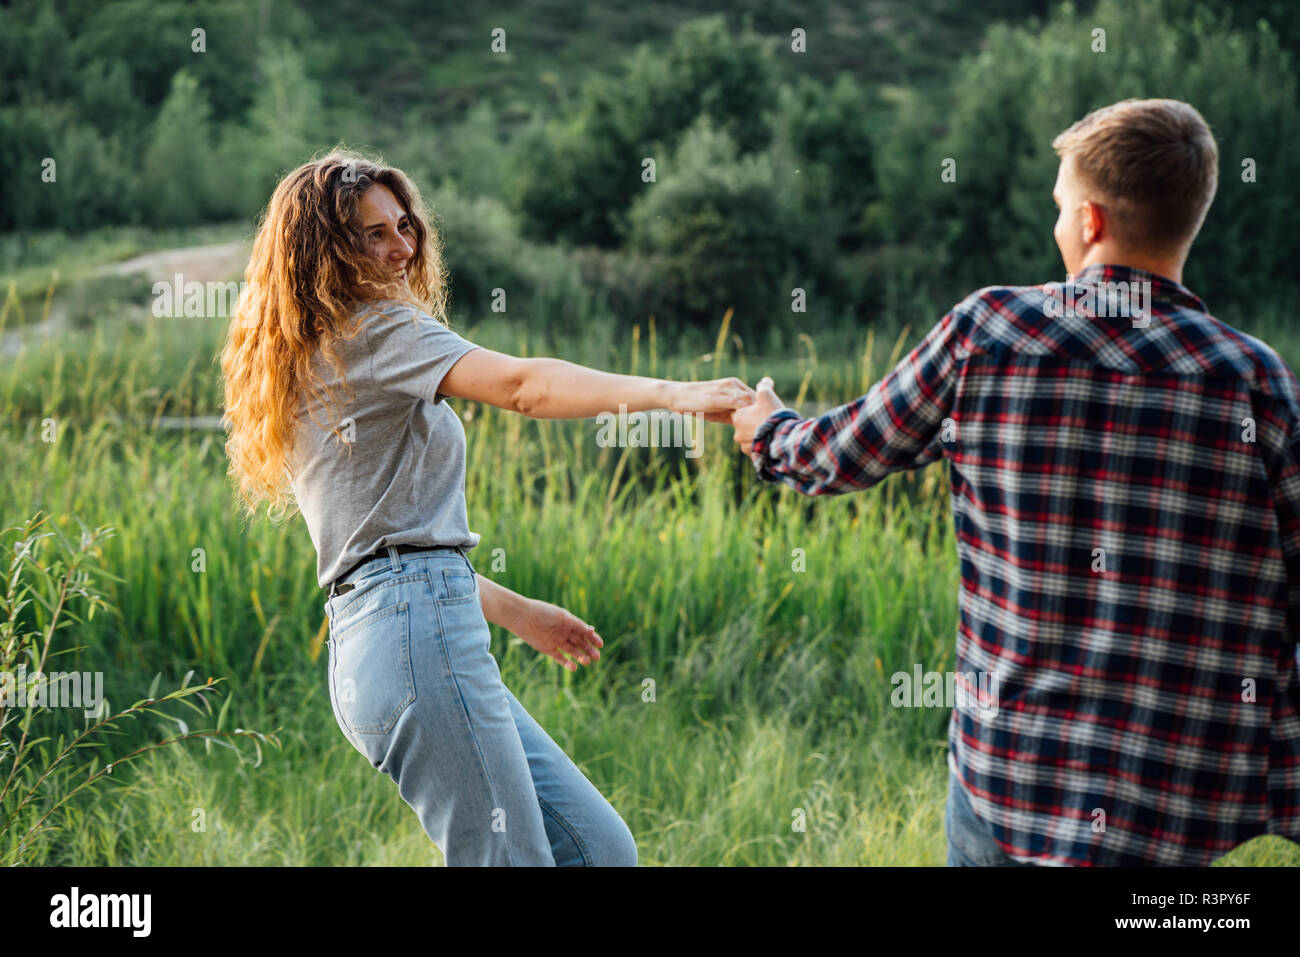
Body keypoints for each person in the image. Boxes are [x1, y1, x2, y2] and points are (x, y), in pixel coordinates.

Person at [731, 98, 1300, 866]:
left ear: (1092, 223)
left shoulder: (989, 333)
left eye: (1062, 207)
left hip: (1009, 775)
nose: (1058, 225)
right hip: (1172, 798)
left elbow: (843, 452)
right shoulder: (1254, 380)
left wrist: (769, 430)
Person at [219, 151, 755, 866]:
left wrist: (516, 611)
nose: (402, 247)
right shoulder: (373, 332)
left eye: (404, 226)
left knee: (597, 850)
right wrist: (676, 394)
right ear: (322, 249)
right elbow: (525, 387)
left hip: (386, 639)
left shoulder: (313, 352)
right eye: (373, 234)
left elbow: (385, 542)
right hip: (414, 637)